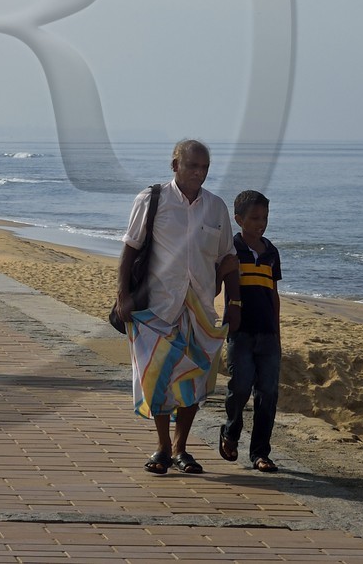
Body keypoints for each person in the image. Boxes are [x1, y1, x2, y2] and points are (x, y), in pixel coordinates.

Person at [115, 138, 241, 476]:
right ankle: (162, 447)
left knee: (193, 381)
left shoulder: (216, 208)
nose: (199, 173)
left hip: (200, 309)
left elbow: (229, 258)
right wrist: (122, 295)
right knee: (157, 378)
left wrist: (234, 302)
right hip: (158, 306)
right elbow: (130, 249)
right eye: (192, 166)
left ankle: (180, 447)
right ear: (175, 166)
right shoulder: (151, 200)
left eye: (205, 167)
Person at [220, 190, 282, 473]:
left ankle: (260, 452)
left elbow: (274, 294)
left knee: (268, 394)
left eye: (265, 218)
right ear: (239, 219)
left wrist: (277, 333)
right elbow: (217, 284)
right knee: (240, 387)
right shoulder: (231, 249)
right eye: (255, 218)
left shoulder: (271, 252)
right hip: (240, 332)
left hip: (268, 335)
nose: (261, 224)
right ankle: (231, 431)